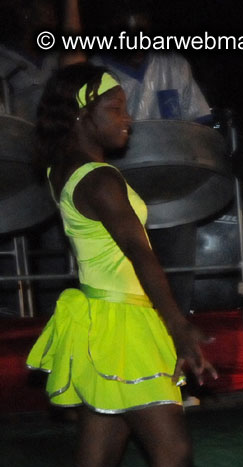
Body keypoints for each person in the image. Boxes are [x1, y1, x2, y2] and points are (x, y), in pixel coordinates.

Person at [27, 63, 216, 467]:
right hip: (124, 324)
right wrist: (181, 330)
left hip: (96, 316)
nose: (128, 117)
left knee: (94, 462)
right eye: (116, 107)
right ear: (85, 113)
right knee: (172, 452)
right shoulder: (101, 180)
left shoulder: (67, 170)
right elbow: (141, 255)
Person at [86, 3, 213, 318]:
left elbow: (200, 124)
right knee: (129, 277)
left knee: (178, 274)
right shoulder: (94, 70)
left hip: (174, 187)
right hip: (118, 189)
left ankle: (178, 340)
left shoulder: (174, 65)